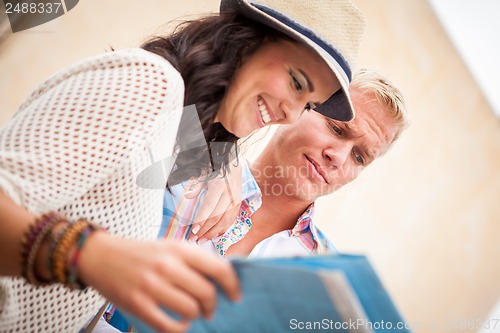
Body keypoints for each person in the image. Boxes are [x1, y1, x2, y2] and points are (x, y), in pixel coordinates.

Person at [0, 0, 367, 332]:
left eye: (306, 105)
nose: (289, 113)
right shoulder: (151, 82)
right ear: (249, 37)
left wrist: (229, 159)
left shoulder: (181, 123)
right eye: (296, 82)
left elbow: (193, 145)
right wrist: (89, 256)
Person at [101, 69, 409, 331]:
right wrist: (220, 150)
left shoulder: (331, 284)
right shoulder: (184, 165)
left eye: (360, 156)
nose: (338, 157)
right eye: (337, 128)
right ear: (300, 107)